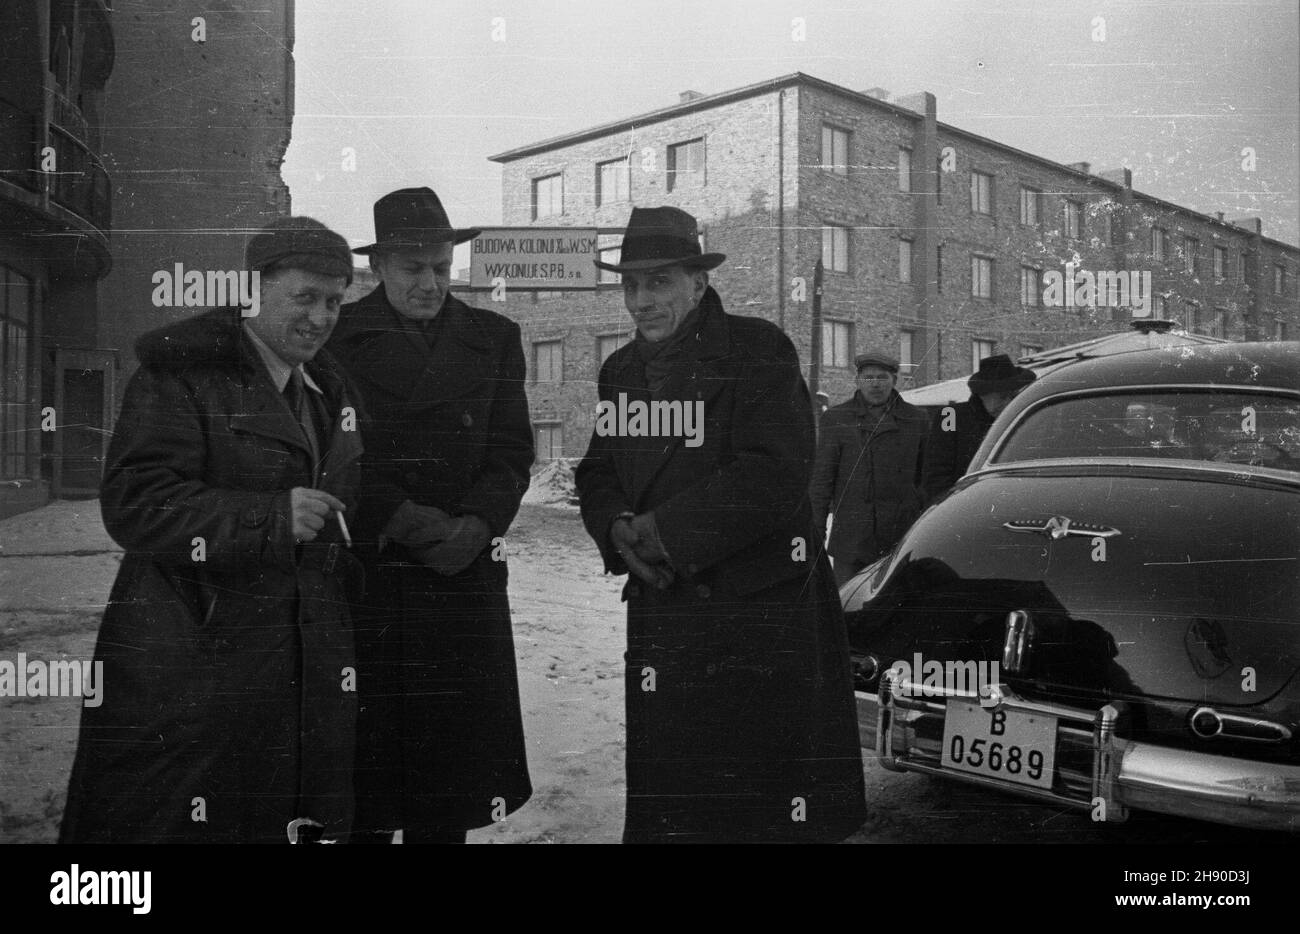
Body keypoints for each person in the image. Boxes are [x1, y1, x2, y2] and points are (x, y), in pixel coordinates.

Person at [60, 217, 362, 843]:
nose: (322, 316)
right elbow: (134, 503)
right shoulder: (179, 374)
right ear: (254, 292)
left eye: (335, 300)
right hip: (191, 658)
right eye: (304, 297)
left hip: (289, 659)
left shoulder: (327, 386)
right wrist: (271, 517)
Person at [574, 206, 867, 844]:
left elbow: (773, 473)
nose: (641, 300)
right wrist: (617, 526)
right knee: (677, 806)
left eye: (658, 282)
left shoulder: (757, 351)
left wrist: (662, 532)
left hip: (758, 616)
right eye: (630, 285)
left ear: (698, 284)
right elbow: (598, 471)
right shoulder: (620, 373)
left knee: (759, 812)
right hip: (666, 615)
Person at [325, 187, 532, 844]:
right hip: (374, 582)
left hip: (460, 582)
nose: (431, 283)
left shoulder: (494, 338)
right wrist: (408, 520)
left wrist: (476, 525)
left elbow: (511, 452)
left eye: (442, 268)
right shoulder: (337, 339)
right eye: (414, 269)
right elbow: (333, 454)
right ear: (380, 265)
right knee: (368, 790)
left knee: (447, 790)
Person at [810, 351, 929, 588]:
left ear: (895, 381)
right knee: (847, 606)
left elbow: (927, 479)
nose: (875, 384)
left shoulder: (918, 419)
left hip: (901, 535)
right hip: (852, 539)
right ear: (858, 381)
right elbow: (822, 480)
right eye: (868, 378)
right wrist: (815, 532)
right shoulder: (837, 419)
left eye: (883, 377)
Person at [921, 353, 1036, 501]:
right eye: (1002, 396)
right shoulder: (950, 415)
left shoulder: (1024, 417)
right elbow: (935, 476)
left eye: (1013, 396)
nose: (1009, 402)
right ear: (982, 395)